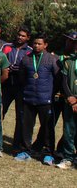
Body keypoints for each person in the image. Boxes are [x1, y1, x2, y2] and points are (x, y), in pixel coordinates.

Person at [14, 33, 59, 165]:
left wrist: (51, 93)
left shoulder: (52, 60)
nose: (36, 46)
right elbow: (22, 78)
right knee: (26, 126)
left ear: (45, 45)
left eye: (39, 44)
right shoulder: (26, 59)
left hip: (45, 99)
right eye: (34, 43)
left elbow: (57, 79)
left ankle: (48, 153)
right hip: (28, 98)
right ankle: (25, 151)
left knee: (47, 127)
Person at [0, 26, 33, 146]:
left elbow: (30, 67)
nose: (20, 37)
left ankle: (17, 143)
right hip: (6, 84)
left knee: (20, 115)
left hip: (21, 86)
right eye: (19, 35)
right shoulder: (7, 46)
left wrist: (20, 69)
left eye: (23, 36)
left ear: (28, 38)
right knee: (0, 111)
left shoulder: (30, 50)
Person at [55, 32, 77, 170]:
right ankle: (68, 158)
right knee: (69, 130)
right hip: (70, 101)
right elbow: (64, 82)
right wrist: (71, 98)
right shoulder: (67, 61)